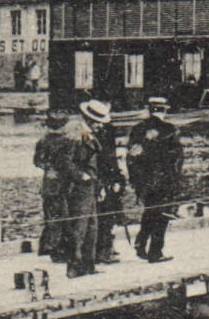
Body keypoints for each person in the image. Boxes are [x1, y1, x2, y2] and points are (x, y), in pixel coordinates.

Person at [128, 97, 183, 263]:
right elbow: (177, 158)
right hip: (163, 180)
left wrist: (135, 179)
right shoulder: (170, 129)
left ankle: (141, 242)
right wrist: (175, 180)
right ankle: (155, 251)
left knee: (149, 211)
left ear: (150, 110)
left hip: (144, 181)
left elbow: (131, 157)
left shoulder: (137, 129)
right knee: (162, 215)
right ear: (164, 110)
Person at [81, 99, 124, 263]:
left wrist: (116, 177)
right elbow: (101, 159)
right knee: (101, 216)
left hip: (106, 177)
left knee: (107, 215)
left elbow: (110, 157)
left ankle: (104, 249)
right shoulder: (86, 135)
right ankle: (100, 252)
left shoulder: (106, 130)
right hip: (98, 179)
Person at [59, 111, 101, 278]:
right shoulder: (75, 136)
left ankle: (88, 264)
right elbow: (64, 162)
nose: (100, 125)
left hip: (90, 186)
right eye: (98, 122)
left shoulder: (89, 135)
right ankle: (74, 266)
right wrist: (80, 175)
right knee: (78, 228)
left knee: (92, 227)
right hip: (78, 188)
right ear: (90, 120)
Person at [32, 112, 70, 262]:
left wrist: (48, 168)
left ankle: (51, 247)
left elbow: (37, 161)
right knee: (62, 216)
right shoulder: (66, 141)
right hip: (61, 183)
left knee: (53, 216)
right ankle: (57, 249)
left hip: (51, 183)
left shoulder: (43, 141)